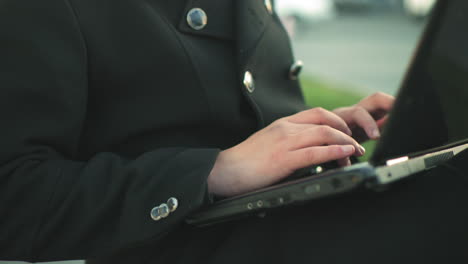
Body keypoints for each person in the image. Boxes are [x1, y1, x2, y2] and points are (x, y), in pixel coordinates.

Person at [1, 0, 467, 264]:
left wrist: (314, 135)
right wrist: (215, 171)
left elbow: (237, 114)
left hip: (284, 222)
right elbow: (15, 199)